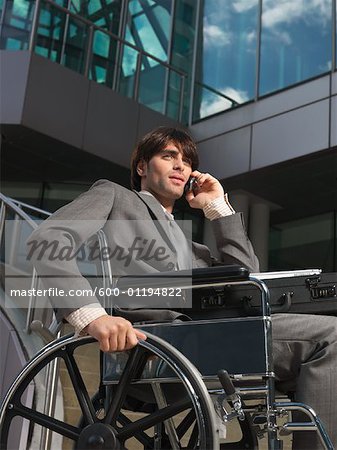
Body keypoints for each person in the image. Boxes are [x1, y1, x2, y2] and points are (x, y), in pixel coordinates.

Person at [28, 126, 337, 449]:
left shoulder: (195, 251)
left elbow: (248, 280)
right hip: (157, 342)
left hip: (203, 338)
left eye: (187, 161)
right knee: (332, 337)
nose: (181, 166)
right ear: (142, 167)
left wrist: (217, 208)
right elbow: (47, 241)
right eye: (168, 156)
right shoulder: (115, 196)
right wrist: (91, 316)